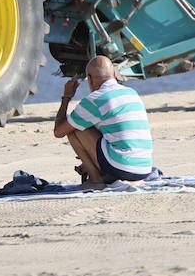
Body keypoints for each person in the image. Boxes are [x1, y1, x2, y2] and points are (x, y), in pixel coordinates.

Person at [53, 55, 153, 187]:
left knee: (74, 127)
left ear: (89, 78)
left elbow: (59, 131)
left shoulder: (96, 99)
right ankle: (104, 174)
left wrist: (66, 97)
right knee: (88, 125)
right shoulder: (131, 93)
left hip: (122, 166)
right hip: (144, 169)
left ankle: (95, 180)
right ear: (113, 74)